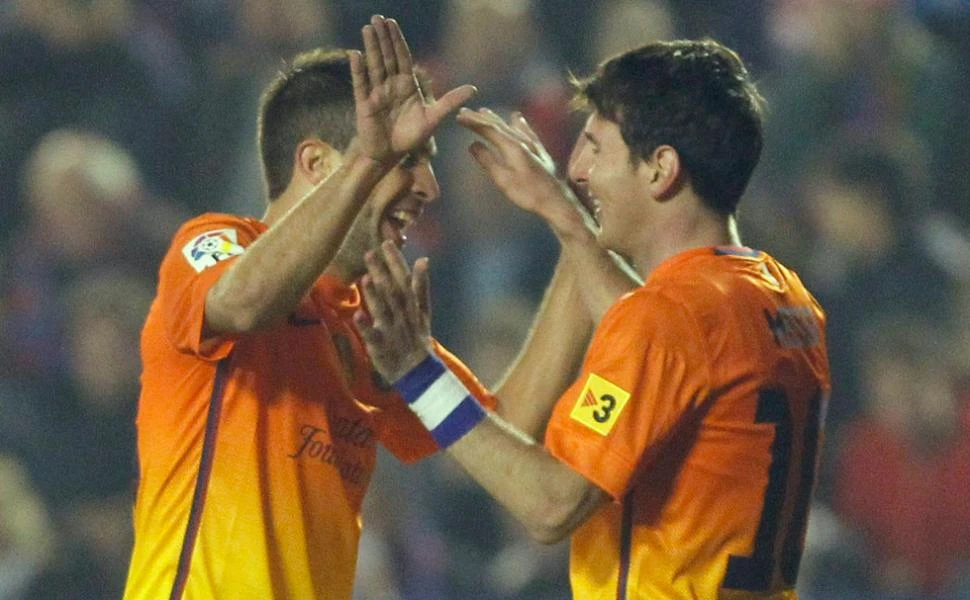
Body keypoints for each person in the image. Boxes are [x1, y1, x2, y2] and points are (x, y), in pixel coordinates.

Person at [355, 39, 832, 599]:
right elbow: (667, 345)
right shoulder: (783, 299)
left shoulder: (670, 317)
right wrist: (564, 214)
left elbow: (551, 505)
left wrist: (417, 370)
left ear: (661, 170)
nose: (578, 170)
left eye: (595, 148)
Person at [122, 16, 484, 600]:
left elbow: (497, 446)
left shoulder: (372, 322)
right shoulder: (214, 243)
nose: (430, 187)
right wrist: (370, 161)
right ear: (317, 164)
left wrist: (573, 239)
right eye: (406, 158)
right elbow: (240, 306)